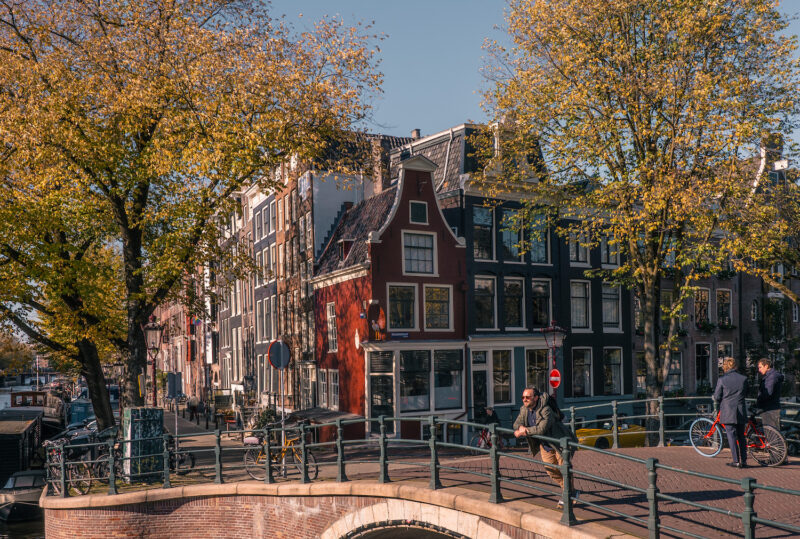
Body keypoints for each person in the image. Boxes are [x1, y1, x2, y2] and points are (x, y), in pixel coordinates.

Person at [513, 387, 578, 507]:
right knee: (550, 470)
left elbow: (542, 428)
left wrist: (525, 431)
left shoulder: (546, 410)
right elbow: (516, 423)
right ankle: (570, 491)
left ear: (536, 398)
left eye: (528, 397)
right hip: (545, 444)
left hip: (560, 443)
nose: (525, 400)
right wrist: (520, 427)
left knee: (564, 469)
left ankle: (567, 496)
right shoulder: (524, 410)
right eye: (523, 397)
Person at [713, 356, 748, 468]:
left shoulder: (722, 380)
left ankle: (736, 461)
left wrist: (715, 398)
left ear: (725, 367)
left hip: (728, 411)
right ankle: (744, 461)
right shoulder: (743, 379)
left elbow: (717, 397)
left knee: (731, 436)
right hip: (740, 410)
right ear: (735, 366)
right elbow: (746, 393)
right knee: (741, 436)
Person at [756, 357, 784, 431]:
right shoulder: (770, 376)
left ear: (766, 366)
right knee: (771, 433)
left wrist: (759, 400)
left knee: (772, 433)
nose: (759, 370)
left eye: (760, 367)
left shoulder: (771, 377)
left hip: (770, 409)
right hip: (770, 408)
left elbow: (768, 392)